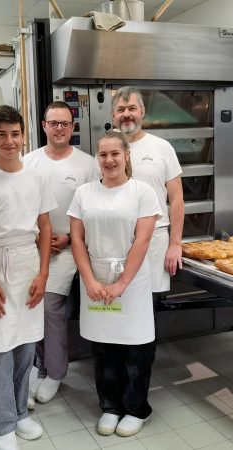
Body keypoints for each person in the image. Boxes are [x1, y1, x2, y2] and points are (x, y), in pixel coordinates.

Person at [0, 105, 56, 450]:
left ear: (24, 136)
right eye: (1, 134)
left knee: (25, 344)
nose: (9, 140)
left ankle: (21, 412)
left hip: (28, 262)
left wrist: (44, 272)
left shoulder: (36, 176)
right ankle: (2, 424)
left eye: (15, 134)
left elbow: (45, 226)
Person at [68, 130, 161, 437]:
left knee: (136, 347)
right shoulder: (83, 193)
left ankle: (136, 408)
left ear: (126, 156)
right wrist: (90, 280)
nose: (108, 160)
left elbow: (142, 240)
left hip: (131, 281)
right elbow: (77, 241)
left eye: (114, 154)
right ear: (98, 158)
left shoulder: (142, 192)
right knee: (104, 347)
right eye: (103, 155)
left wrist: (122, 283)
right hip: (94, 276)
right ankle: (110, 406)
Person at [23, 101, 98, 407]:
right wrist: (38, 236)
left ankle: (55, 372)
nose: (59, 129)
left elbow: (94, 208)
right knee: (33, 304)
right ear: (44, 126)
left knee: (51, 307)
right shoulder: (28, 162)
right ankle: (40, 366)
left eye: (65, 123)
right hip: (33, 245)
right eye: (53, 123)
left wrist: (67, 237)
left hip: (69, 246)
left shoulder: (87, 164)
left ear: (73, 127)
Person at [110, 87, 185, 298]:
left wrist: (175, 244)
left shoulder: (162, 148)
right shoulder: (106, 149)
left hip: (154, 239)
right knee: (118, 303)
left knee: (149, 305)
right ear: (113, 116)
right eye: (121, 109)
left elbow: (177, 198)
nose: (126, 114)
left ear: (142, 111)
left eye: (132, 108)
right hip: (116, 239)